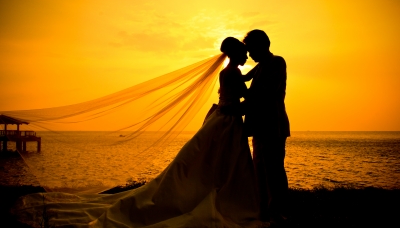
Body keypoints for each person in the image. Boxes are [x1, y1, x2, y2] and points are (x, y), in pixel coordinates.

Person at [13, 37, 265, 228]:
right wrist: (256, 91)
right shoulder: (232, 73)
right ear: (236, 53)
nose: (247, 57)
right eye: (244, 53)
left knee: (207, 164)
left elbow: (241, 86)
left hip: (222, 121)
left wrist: (257, 72)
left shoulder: (229, 72)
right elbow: (242, 98)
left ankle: (209, 191)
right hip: (227, 123)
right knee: (221, 165)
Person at [241, 29, 290, 224]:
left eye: (251, 49)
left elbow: (266, 93)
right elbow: (245, 82)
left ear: (262, 45)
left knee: (274, 170)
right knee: (260, 170)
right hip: (259, 126)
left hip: (273, 124)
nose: (250, 55)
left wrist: (237, 103)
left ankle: (277, 212)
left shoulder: (277, 62)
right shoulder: (260, 67)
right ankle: (263, 211)